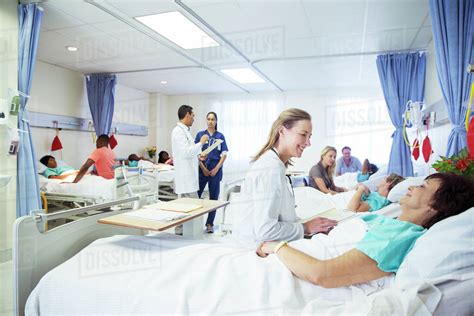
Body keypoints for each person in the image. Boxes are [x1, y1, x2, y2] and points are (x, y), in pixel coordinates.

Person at [257, 173, 474, 288]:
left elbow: (322, 274)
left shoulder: (397, 237)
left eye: (423, 187)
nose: (411, 187)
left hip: (287, 267)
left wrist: (276, 246)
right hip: (296, 254)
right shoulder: (391, 222)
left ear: (435, 206)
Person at [233, 108, 338, 246]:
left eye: (309, 136)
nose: (308, 143)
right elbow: (266, 230)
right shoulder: (271, 168)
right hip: (255, 248)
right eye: (303, 134)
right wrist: (305, 228)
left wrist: (309, 226)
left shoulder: (276, 165)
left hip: (267, 243)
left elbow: (281, 218)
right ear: (282, 131)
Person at [195, 112, 229, 233]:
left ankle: (210, 223)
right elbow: (195, 153)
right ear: (206, 120)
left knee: (213, 198)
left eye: (213, 119)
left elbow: (224, 154)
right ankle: (195, 222)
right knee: (196, 196)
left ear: (216, 121)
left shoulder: (220, 136)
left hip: (216, 168)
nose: (210, 121)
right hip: (202, 168)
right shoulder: (200, 135)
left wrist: (216, 169)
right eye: (208, 119)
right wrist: (203, 168)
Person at [171, 105, 209, 197]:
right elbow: (185, 153)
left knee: (192, 208)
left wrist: (199, 156)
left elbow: (189, 152)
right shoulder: (178, 131)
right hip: (186, 179)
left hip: (189, 178)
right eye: (193, 116)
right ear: (187, 115)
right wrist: (201, 143)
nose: (193, 119)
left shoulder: (185, 131)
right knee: (194, 207)